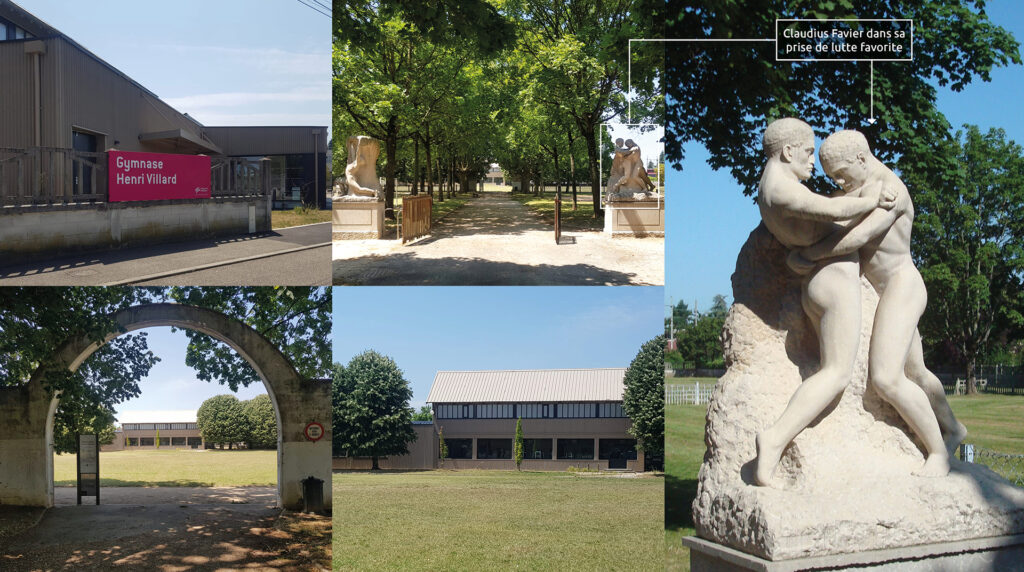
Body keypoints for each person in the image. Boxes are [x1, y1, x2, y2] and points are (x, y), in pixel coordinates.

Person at [790, 130, 965, 476]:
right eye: (832, 178)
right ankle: (954, 428)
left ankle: (938, 453)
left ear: (861, 157)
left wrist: (810, 255)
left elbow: (860, 236)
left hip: (902, 286)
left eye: (841, 173)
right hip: (888, 292)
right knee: (916, 372)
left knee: (886, 378)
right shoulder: (859, 190)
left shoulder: (891, 190)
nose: (839, 182)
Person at [753, 118, 896, 486]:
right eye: (806, 152)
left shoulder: (771, 186)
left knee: (832, 371)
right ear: (787, 151)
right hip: (833, 281)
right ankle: (774, 440)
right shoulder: (781, 189)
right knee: (835, 374)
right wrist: (872, 198)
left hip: (821, 280)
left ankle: (777, 440)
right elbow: (833, 211)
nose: (812, 162)